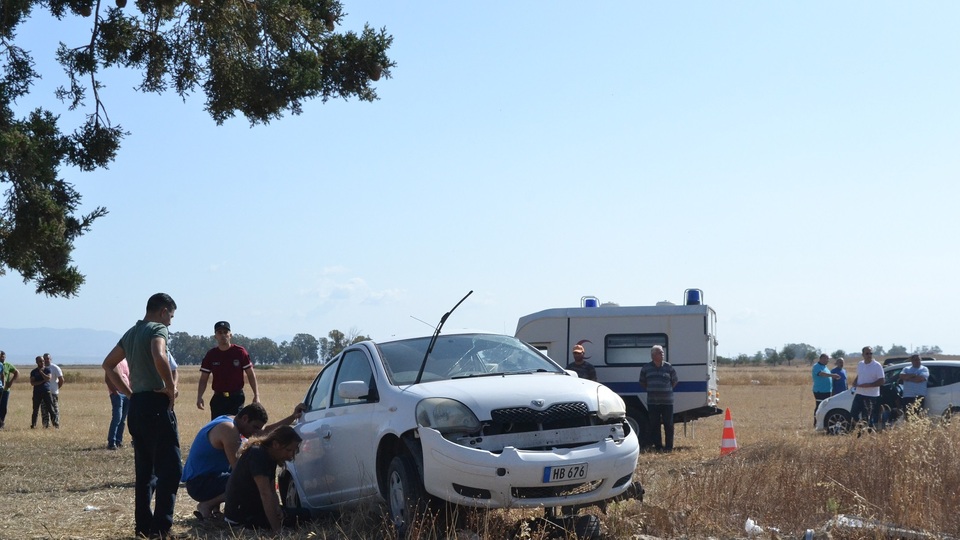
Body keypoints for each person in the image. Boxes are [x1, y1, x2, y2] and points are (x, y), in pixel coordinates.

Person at [102, 293, 181, 539]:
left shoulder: (132, 332)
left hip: (138, 406)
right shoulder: (157, 328)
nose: (170, 322)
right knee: (171, 469)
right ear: (163, 311)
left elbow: (108, 364)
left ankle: (143, 528)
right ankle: (161, 529)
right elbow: (159, 354)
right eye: (171, 316)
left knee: (145, 471)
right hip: (157, 404)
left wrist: (129, 393)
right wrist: (170, 386)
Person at [182, 402, 304, 520]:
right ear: (245, 418)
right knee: (248, 482)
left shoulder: (231, 421)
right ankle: (207, 505)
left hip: (206, 478)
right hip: (199, 484)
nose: (255, 433)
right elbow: (238, 470)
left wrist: (292, 417)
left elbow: (265, 432)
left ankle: (214, 508)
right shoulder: (228, 430)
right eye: (255, 427)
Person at [224, 425, 308, 533]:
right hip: (242, 517)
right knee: (303, 516)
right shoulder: (257, 455)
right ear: (275, 444)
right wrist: (277, 529)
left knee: (305, 514)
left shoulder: (270, 456)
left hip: (253, 510)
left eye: (294, 451)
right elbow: (265, 494)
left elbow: (272, 490)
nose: (291, 455)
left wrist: (277, 509)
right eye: (288, 450)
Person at [197, 321, 260, 419]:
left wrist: (256, 395)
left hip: (236, 398)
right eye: (219, 332)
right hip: (218, 398)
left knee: (234, 427)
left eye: (225, 332)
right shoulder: (211, 355)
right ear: (215, 336)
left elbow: (250, 374)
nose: (223, 335)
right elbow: (203, 379)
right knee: (217, 428)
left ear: (230, 335)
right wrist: (199, 396)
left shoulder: (240, 352)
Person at [638, 345, 678, 451]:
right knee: (655, 425)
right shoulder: (646, 368)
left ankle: (669, 447)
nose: (662, 354)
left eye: (663, 352)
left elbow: (674, 381)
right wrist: (652, 389)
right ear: (653, 355)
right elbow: (642, 382)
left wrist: (666, 390)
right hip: (652, 401)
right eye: (660, 352)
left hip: (667, 402)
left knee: (668, 424)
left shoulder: (668, 367)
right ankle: (658, 446)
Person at [849, 346, 885, 430]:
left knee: (867, 417)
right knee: (853, 414)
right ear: (863, 354)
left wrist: (869, 385)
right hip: (859, 393)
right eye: (867, 353)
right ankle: (861, 429)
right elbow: (860, 375)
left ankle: (869, 433)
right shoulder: (860, 364)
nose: (869, 355)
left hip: (871, 395)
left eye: (871, 353)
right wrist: (855, 381)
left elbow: (882, 381)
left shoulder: (877, 365)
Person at [105, 358, 130, 450]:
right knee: (117, 418)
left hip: (127, 393)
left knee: (123, 419)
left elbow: (128, 376)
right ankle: (111, 442)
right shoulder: (113, 361)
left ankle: (119, 441)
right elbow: (107, 379)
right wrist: (115, 392)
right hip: (118, 394)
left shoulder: (126, 362)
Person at [812, 354, 840, 426]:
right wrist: (832, 375)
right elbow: (821, 374)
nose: (828, 360)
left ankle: (823, 422)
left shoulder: (825, 367)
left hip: (827, 390)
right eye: (826, 359)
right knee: (819, 406)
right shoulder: (816, 366)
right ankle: (816, 423)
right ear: (821, 358)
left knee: (825, 407)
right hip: (820, 390)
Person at [30, 355, 56, 428]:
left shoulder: (47, 370)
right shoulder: (33, 372)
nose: (42, 362)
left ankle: (55, 424)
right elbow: (32, 383)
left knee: (51, 408)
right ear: (37, 362)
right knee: (35, 410)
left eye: (43, 361)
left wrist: (41, 373)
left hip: (46, 391)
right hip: (37, 393)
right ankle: (33, 425)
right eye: (40, 361)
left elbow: (48, 378)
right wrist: (42, 381)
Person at [42, 353, 64, 428]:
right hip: (44, 393)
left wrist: (56, 388)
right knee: (44, 410)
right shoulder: (41, 369)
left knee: (54, 409)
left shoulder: (55, 368)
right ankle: (45, 425)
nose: (46, 360)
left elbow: (61, 380)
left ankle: (56, 424)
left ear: (50, 359)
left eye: (47, 358)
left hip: (53, 393)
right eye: (44, 359)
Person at [0, 351, 20, 429]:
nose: (2, 357)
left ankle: (1, 424)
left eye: (3, 356)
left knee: (3, 407)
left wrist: (11, 382)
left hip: (5, 390)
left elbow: (16, 372)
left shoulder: (7, 365)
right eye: (1, 356)